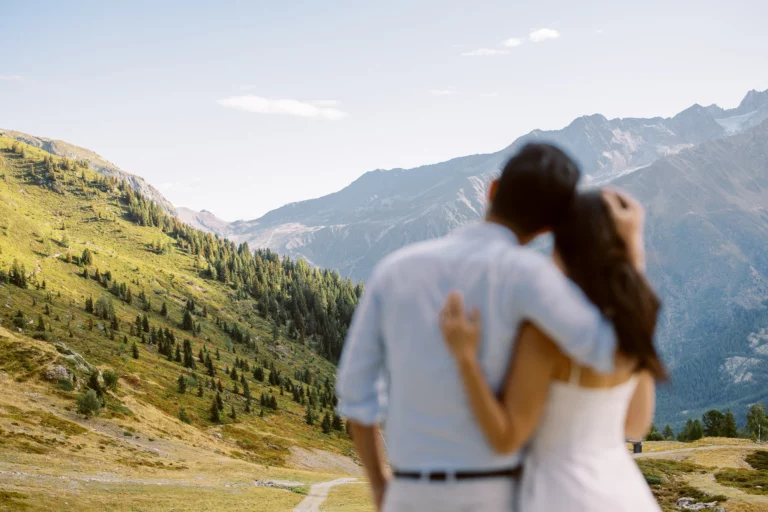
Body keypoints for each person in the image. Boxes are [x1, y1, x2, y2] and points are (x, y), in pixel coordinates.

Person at [335, 143, 645, 512]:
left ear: (492, 189)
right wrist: (631, 253)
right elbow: (609, 349)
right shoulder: (531, 276)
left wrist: (380, 486)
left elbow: (356, 396)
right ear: (549, 226)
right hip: (495, 494)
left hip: (409, 493)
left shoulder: (394, 270)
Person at [439, 189, 665, 511]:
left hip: (560, 495)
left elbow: (506, 438)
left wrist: (465, 359)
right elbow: (635, 425)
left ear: (561, 247)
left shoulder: (547, 336)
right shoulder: (633, 327)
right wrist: (633, 253)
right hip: (625, 494)